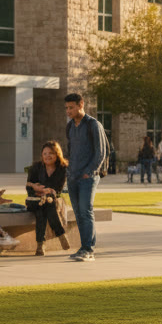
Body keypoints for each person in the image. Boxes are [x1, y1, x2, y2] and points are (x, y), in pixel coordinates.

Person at [64, 93, 106, 262]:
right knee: (79, 214)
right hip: (72, 177)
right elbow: (71, 151)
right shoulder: (70, 127)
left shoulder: (93, 125)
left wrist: (89, 171)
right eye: (66, 108)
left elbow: (100, 152)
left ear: (81, 104)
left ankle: (89, 250)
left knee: (86, 211)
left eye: (71, 107)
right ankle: (83, 247)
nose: (68, 111)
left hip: (88, 177)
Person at [26, 140, 71, 255]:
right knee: (44, 205)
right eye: (45, 153)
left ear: (57, 154)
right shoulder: (36, 167)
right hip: (35, 200)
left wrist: (45, 190)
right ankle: (61, 234)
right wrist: (38, 189)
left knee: (45, 207)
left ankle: (40, 245)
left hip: (52, 199)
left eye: (51, 153)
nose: (47, 156)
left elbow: (58, 189)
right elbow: (28, 186)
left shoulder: (63, 169)